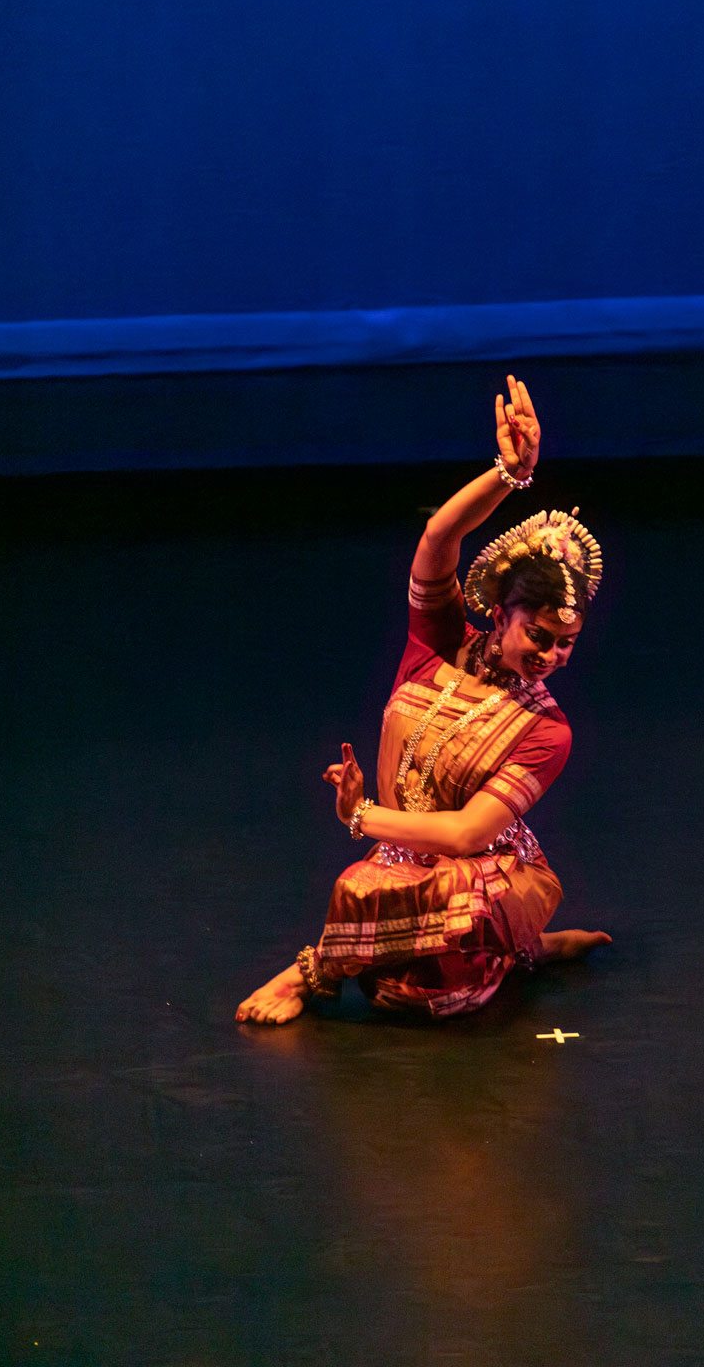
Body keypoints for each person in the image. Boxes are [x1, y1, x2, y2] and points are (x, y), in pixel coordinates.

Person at [236, 376, 611, 1024]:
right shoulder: (435, 644)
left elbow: (466, 835)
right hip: (402, 857)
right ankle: (526, 949)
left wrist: (361, 816)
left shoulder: (547, 730)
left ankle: (317, 972)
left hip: (481, 868)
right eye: (539, 635)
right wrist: (511, 475)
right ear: (500, 614)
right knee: (381, 950)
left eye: (566, 644)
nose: (551, 656)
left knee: (438, 987)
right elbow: (438, 538)